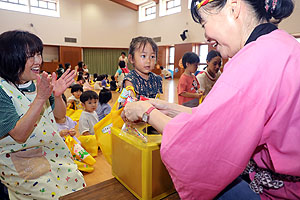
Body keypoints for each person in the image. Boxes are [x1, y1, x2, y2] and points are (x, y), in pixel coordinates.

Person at [122, 0, 300, 199]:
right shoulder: (282, 45)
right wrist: (163, 107)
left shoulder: (254, 61)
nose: (206, 35)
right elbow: (216, 118)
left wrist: (146, 113)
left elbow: (198, 143)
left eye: (204, 23)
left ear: (233, 8)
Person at [0, 30, 85, 199]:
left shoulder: (37, 83)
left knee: (78, 188)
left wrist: (58, 95)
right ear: (10, 57)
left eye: (38, 54)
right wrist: (40, 98)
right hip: (22, 163)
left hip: (54, 154)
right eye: (30, 56)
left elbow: (60, 116)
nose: (38, 61)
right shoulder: (3, 89)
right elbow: (19, 135)